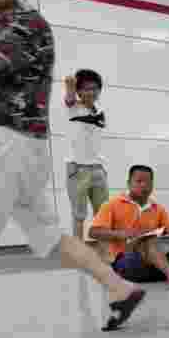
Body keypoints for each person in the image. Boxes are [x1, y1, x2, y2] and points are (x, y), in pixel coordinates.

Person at [0, 0, 145, 338]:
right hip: (22, 147)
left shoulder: (26, 24)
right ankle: (119, 288)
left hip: (4, 141)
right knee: (48, 235)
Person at [90, 165, 169, 291]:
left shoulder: (157, 208)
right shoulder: (112, 205)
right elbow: (93, 232)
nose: (144, 185)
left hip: (154, 265)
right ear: (128, 183)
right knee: (147, 240)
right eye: (139, 181)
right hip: (127, 266)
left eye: (148, 182)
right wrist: (122, 234)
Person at [63, 68, 108, 241]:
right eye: (86, 88)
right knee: (79, 214)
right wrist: (70, 85)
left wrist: (102, 167)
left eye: (95, 88)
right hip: (78, 169)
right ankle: (79, 253)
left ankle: (104, 251)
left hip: (98, 168)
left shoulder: (100, 109)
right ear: (78, 91)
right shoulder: (74, 107)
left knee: (102, 214)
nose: (91, 92)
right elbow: (68, 97)